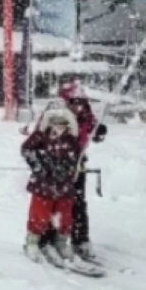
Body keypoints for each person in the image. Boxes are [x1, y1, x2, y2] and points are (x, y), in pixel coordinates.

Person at [51, 80, 108, 260]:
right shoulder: (58, 116)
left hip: (78, 163)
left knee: (78, 203)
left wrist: (99, 131)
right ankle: (51, 239)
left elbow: (93, 131)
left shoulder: (86, 117)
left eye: (81, 103)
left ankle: (80, 240)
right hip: (57, 163)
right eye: (74, 103)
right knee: (56, 203)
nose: (78, 107)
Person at [21, 106, 83, 261]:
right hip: (43, 185)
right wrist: (40, 166)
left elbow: (74, 159)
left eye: (63, 122)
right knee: (39, 214)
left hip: (64, 186)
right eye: (56, 122)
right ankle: (32, 242)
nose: (59, 125)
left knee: (64, 216)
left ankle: (61, 242)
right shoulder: (41, 136)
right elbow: (26, 150)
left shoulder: (72, 140)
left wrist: (66, 169)